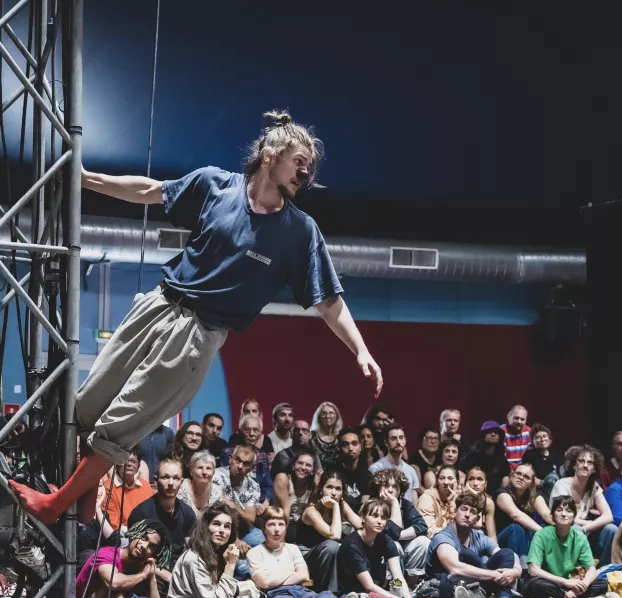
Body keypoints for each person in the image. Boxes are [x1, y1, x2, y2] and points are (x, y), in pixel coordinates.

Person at [11, 111, 383, 527]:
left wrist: (360, 349)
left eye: (310, 166)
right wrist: (86, 179)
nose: (306, 172)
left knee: (119, 424)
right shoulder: (215, 184)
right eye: (299, 161)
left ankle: (55, 505)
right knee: (85, 406)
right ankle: (78, 505)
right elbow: (152, 190)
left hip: (198, 334)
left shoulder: (300, 231)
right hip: (158, 305)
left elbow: (329, 301)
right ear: (270, 154)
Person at [169, 503, 349, 598]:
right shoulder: (195, 558)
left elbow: (303, 575)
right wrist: (230, 567)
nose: (222, 531)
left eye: (227, 526)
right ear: (205, 526)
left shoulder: (213, 555)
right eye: (216, 524)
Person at [249, 507, 368, 598]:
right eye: (271, 525)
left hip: (298, 589)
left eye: (281, 524)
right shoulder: (255, 552)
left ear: (286, 527)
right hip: (274, 596)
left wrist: (275, 577)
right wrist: (291, 573)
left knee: (323, 597)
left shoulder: (292, 549)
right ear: (263, 527)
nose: (277, 529)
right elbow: (264, 583)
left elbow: (304, 575)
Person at [338, 499, 449, 598]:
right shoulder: (352, 545)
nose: (379, 521)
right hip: (356, 596)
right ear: (362, 518)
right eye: (374, 516)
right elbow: (369, 586)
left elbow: (398, 577)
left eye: (383, 518)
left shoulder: (385, 540)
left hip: (381, 590)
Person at [426, 492, 539, 598]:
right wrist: (496, 575)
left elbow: (505, 555)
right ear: (455, 512)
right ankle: (508, 597)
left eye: (473, 512)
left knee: (506, 552)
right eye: (464, 509)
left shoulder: (478, 536)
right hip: (448, 588)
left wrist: (516, 572)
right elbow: (455, 568)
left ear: (477, 518)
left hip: (474, 586)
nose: (467, 515)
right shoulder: (443, 537)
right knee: (467, 555)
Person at [524, 496, 618, 598]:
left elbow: (591, 570)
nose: (564, 514)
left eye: (569, 511)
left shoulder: (580, 537)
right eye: (559, 510)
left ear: (574, 516)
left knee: (603, 583)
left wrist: (584, 584)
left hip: (569, 586)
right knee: (535, 584)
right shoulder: (541, 535)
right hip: (552, 582)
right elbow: (534, 571)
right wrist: (565, 582)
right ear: (552, 515)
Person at [127, 456, 197, 595]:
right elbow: (136, 556)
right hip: (150, 570)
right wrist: (166, 575)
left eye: (176, 478)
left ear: (181, 482)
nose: (171, 483)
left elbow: (192, 550)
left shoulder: (188, 513)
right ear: (155, 480)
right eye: (165, 477)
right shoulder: (141, 513)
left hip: (179, 569)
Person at [550, 446, 616, 566]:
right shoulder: (562, 485)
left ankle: (603, 568)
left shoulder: (593, 486)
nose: (585, 465)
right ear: (574, 465)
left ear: (594, 469)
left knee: (611, 529)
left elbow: (608, 516)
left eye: (590, 463)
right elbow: (564, 517)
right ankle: (573, 569)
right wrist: (587, 524)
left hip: (583, 530)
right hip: (562, 531)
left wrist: (586, 528)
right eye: (581, 461)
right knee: (575, 529)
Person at [297, 471, 362, 592]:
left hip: (329, 557)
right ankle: (331, 593)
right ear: (321, 490)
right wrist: (336, 507)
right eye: (329, 487)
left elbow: (362, 526)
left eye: (338, 489)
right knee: (333, 546)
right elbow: (334, 535)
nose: (333, 493)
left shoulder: (341, 504)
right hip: (307, 559)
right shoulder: (311, 510)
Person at [212, 444, 266, 577]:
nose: (240, 466)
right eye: (237, 460)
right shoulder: (218, 475)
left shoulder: (253, 486)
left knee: (265, 540)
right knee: (243, 566)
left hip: (245, 530)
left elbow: (250, 519)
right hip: (221, 528)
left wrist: (233, 505)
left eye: (246, 464)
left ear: (252, 467)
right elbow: (218, 512)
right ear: (231, 458)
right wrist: (234, 539)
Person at [370, 469, 429, 582]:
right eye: (386, 485)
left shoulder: (405, 504)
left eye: (395, 486)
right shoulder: (372, 505)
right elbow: (392, 531)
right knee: (394, 545)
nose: (390, 490)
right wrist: (393, 503)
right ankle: (393, 585)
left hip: (402, 545)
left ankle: (411, 585)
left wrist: (400, 535)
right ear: (378, 487)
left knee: (423, 542)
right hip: (379, 550)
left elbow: (422, 526)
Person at [493, 463, 552, 567]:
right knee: (516, 528)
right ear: (512, 476)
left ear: (531, 483)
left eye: (526, 477)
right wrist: (543, 532)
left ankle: (541, 564)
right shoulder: (502, 494)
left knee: (544, 528)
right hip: (502, 541)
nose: (521, 477)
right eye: (518, 473)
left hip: (524, 541)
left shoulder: (533, 497)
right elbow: (516, 515)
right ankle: (523, 566)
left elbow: (548, 515)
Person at [221, 415, 275, 503]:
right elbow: (224, 482)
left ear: (261, 433)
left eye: (256, 430)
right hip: (233, 500)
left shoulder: (262, 456)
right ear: (240, 431)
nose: (252, 434)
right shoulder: (228, 453)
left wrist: (266, 501)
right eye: (247, 429)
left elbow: (268, 485)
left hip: (258, 502)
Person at [100, 447, 153, 530]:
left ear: (138, 466)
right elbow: (112, 523)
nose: (128, 464)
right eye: (125, 460)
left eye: (133, 461)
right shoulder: (108, 487)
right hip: (119, 535)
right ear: (117, 464)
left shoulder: (146, 487)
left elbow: (151, 517)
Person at [273, 448, 316, 542]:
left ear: (313, 470)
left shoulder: (312, 485)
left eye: (308, 465)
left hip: (300, 524)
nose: (303, 467)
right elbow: (286, 509)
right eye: (300, 463)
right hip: (281, 521)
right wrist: (282, 539)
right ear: (293, 465)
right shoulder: (283, 478)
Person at [369, 423, 419, 503]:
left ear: (405, 440)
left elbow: (414, 503)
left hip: (406, 510)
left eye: (401, 438)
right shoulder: (376, 468)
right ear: (386, 442)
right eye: (393, 438)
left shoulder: (411, 471)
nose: (398, 442)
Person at [460, 422, 509, 494]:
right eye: (489, 432)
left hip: (495, 494)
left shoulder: (501, 459)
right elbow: (463, 475)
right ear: (483, 435)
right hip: (473, 492)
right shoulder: (472, 457)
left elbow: (505, 477)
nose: (493, 434)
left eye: (496, 432)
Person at [330, 427, 371, 513]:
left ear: (360, 447)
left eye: (354, 443)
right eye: (345, 444)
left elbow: (364, 506)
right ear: (339, 448)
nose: (350, 448)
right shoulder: (333, 473)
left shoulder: (367, 475)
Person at [176, 450, 223, 516]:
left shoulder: (216, 491)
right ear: (191, 471)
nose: (204, 472)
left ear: (213, 473)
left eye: (208, 468)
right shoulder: (181, 487)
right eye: (200, 468)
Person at [417, 465, 459, 538]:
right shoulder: (427, 499)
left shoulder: (459, 500)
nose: (445, 482)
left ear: (457, 482)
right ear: (437, 482)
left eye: (450, 478)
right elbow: (429, 531)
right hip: (430, 541)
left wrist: (451, 504)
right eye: (442, 478)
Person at [464, 466, 498, 541]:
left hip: (481, 540)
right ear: (466, 482)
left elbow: (492, 535)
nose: (475, 483)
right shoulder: (459, 499)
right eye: (471, 479)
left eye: (480, 479)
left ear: (485, 484)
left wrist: (495, 548)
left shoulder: (488, 503)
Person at [309, 402, 343, 469]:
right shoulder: (311, 436)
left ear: (336, 416)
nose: (327, 416)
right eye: (324, 413)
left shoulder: (341, 436)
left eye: (331, 413)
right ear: (319, 417)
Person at [502, 405, 532, 469]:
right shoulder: (501, 432)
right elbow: (501, 459)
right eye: (516, 418)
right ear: (508, 417)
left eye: (522, 419)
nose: (519, 421)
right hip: (506, 469)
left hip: (524, 469)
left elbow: (531, 456)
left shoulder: (528, 431)